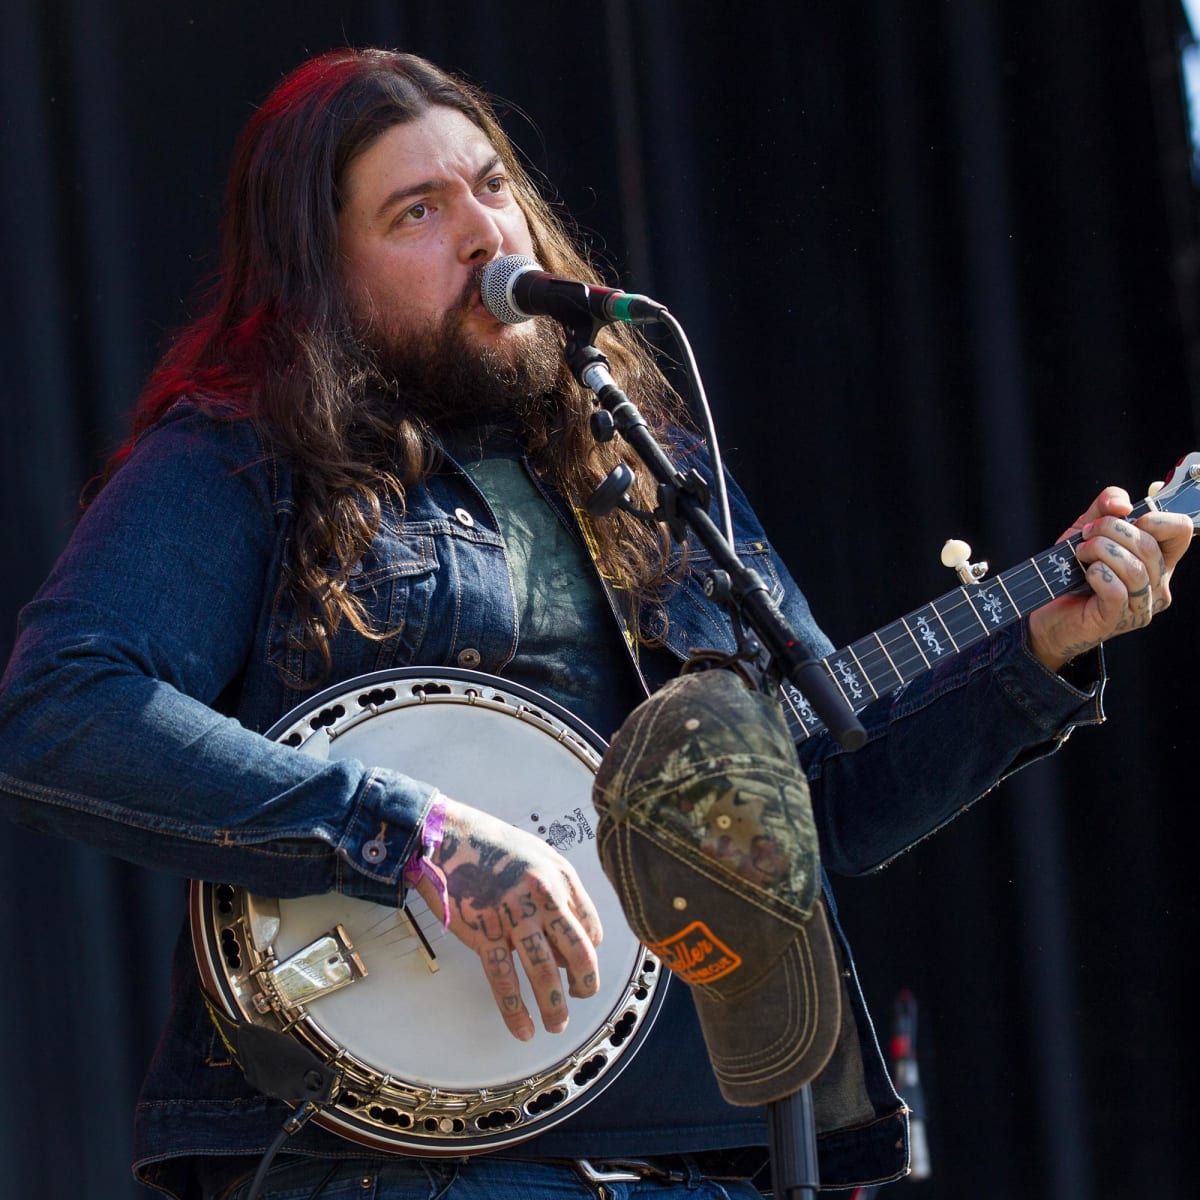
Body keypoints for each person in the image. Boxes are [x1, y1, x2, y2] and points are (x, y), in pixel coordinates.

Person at [0, 48, 1191, 1200]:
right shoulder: (243, 456)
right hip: (404, 1164)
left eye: (490, 184)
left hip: (709, 1147)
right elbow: (61, 706)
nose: (484, 235)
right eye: (416, 212)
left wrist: (1039, 652)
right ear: (322, 273)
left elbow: (819, 807)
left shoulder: (649, 470)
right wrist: (411, 834)